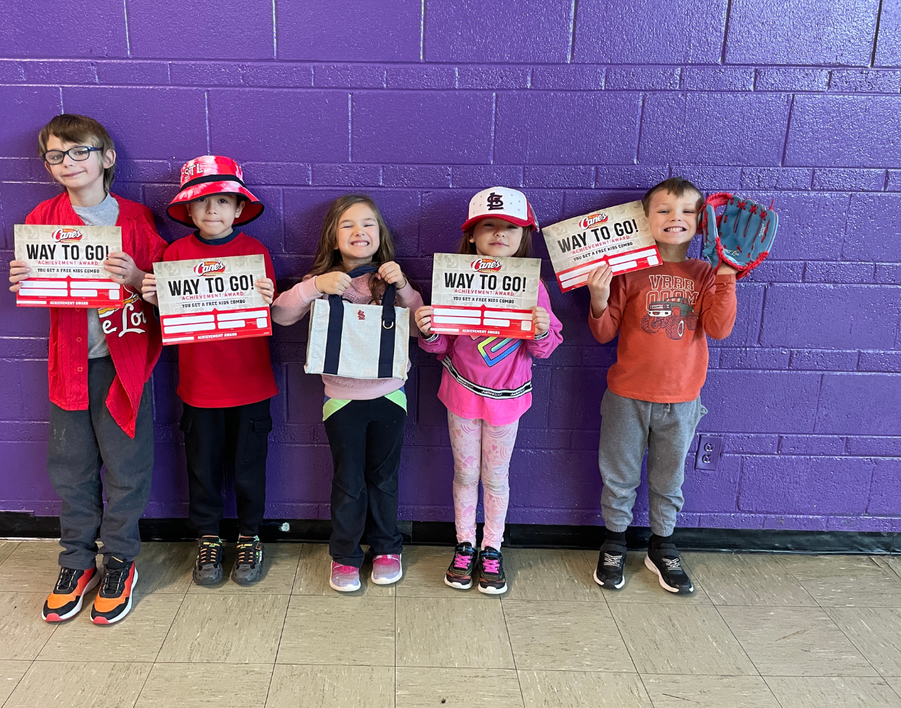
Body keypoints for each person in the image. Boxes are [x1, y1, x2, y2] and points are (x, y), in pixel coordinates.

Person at [8, 114, 166, 624]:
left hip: (124, 365)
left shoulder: (135, 219)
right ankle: (76, 561)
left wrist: (138, 276)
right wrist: (25, 278)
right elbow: (39, 284)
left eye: (79, 152)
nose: (68, 162)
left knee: (126, 467)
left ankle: (120, 559)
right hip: (71, 365)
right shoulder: (43, 217)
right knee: (70, 468)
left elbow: (169, 292)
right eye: (56, 155)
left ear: (106, 157)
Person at [585, 177, 737, 594]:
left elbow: (719, 329)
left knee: (669, 480)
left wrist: (727, 273)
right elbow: (604, 332)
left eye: (688, 211)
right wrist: (598, 298)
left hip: (682, 399)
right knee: (618, 475)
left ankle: (662, 544)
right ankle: (615, 541)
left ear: (702, 221)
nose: (676, 217)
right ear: (645, 218)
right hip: (626, 396)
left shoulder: (706, 273)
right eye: (664, 210)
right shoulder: (628, 271)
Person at [271, 194, 423, 592]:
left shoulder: (391, 279)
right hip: (340, 400)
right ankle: (345, 554)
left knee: (384, 479)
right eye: (348, 225)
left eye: (368, 223)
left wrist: (405, 287)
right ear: (333, 238)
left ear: (381, 233)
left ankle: (387, 547)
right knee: (348, 481)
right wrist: (313, 287)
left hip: (390, 396)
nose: (360, 231)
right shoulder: (321, 281)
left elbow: (419, 328)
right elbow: (280, 315)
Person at [414, 187, 563, 594]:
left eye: (510, 228)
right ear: (472, 235)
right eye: (489, 226)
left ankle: (492, 548)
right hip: (461, 395)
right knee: (465, 473)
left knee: (496, 478)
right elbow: (440, 346)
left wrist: (541, 330)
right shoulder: (454, 280)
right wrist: (428, 331)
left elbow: (545, 348)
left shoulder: (534, 288)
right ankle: (465, 544)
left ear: (524, 236)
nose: (499, 234)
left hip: (507, 401)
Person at [142, 156, 276, 587]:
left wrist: (269, 297)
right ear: (188, 209)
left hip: (251, 385)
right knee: (202, 469)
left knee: (249, 468)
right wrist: (155, 298)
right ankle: (208, 537)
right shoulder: (175, 255)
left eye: (222, 201)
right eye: (202, 202)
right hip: (199, 388)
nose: (212, 209)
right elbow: (167, 319)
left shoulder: (256, 253)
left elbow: (271, 313)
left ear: (239, 208)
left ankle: (250, 535)